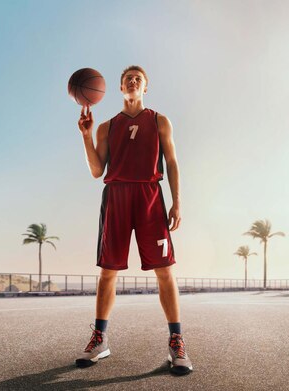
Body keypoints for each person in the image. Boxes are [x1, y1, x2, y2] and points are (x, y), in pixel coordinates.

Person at [75, 65, 192, 375]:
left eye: (138, 79)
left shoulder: (159, 121)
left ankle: (176, 342)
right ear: (120, 88)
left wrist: (177, 201)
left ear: (145, 88)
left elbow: (172, 162)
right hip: (116, 196)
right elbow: (96, 170)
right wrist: (86, 135)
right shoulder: (106, 127)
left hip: (149, 196)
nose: (133, 81)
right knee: (108, 271)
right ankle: (100, 339)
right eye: (128, 79)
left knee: (164, 270)